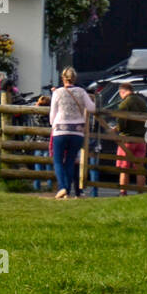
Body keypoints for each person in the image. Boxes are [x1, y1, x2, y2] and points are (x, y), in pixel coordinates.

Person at [49, 66, 95, 199]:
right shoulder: (81, 91)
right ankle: (67, 191)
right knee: (70, 161)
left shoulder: (57, 92)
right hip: (77, 131)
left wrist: (54, 125)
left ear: (63, 78)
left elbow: (53, 114)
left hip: (61, 129)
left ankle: (62, 187)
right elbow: (92, 108)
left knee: (58, 160)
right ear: (75, 78)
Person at [113, 82, 147, 195]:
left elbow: (122, 122)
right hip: (141, 139)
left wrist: (117, 129)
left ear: (122, 91)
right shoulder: (142, 102)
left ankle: (123, 192)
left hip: (128, 139)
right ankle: (141, 191)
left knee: (124, 167)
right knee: (139, 167)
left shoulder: (125, 104)